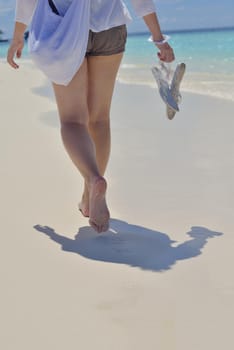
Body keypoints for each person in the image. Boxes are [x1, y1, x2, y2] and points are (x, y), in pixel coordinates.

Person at [7, 0, 175, 233]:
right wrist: (159, 38)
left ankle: (94, 179)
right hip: (110, 28)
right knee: (99, 119)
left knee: (72, 120)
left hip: (64, 30)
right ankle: (89, 198)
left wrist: (18, 35)